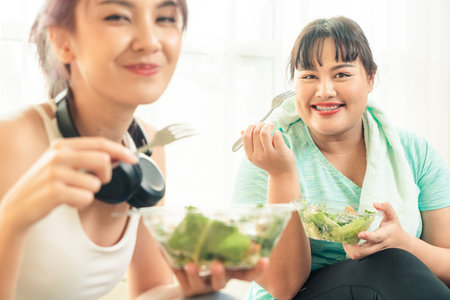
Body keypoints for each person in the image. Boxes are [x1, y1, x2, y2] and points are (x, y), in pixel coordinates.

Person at [0, 1, 267, 299]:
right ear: (63, 42)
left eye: (165, 18)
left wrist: (188, 288)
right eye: (118, 16)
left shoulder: (147, 150)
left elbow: (149, 291)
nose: (150, 41)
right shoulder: (10, 141)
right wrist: (12, 217)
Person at [233, 16, 450, 300]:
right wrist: (282, 175)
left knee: (396, 261)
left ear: (370, 78)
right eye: (309, 76)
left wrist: (403, 243)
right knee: (389, 266)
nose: (324, 90)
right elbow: (282, 285)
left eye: (341, 74)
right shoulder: (268, 156)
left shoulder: (414, 152)